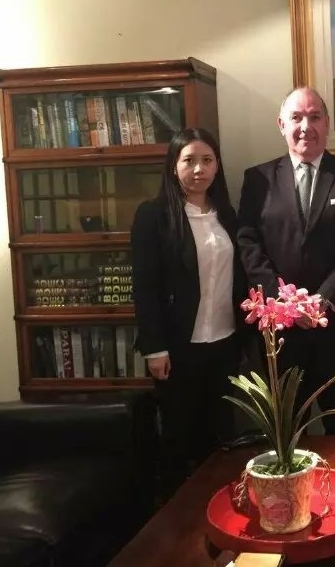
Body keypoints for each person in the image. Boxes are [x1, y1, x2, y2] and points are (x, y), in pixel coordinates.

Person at [236, 87, 335, 434]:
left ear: (327, 124)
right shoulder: (257, 179)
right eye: (297, 117)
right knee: (286, 430)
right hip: (281, 330)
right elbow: (248, 243)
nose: (306, 126)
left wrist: (323, 299)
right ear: (281, 124)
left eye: (315, 117)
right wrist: (284, 301)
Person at [131, 127, 247, 495]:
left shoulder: (227, 215)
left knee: (221, 434)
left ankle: (219, 509)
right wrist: (154, 348)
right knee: (178, 437)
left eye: (207, 160)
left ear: (217, 166)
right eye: (189, 160)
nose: (199, 169)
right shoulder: (153, 216)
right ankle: (176, 514)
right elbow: (145, 286)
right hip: (178, 347)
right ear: (173, 166)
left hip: (225, 342)